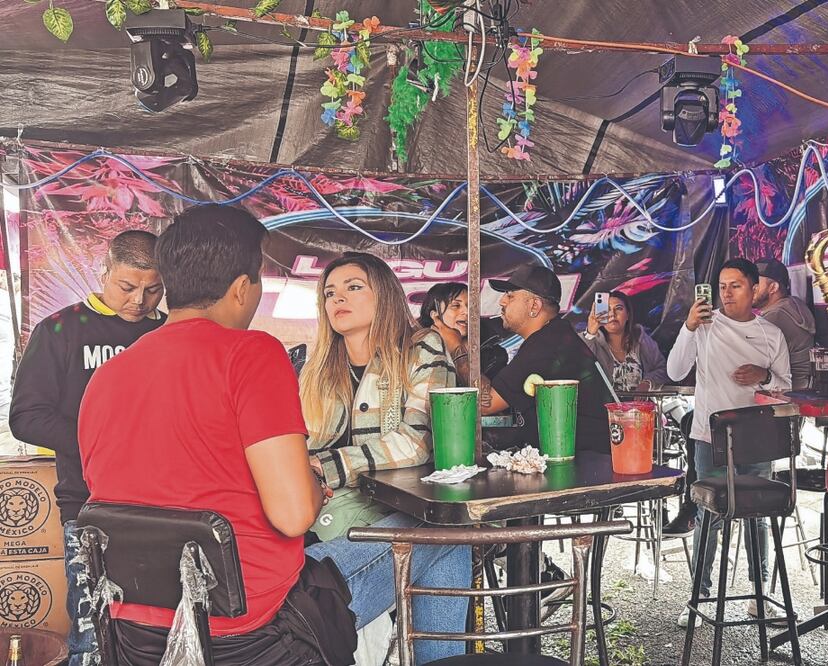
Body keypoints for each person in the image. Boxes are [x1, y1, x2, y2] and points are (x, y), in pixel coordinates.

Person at [78, 205, 354, 665]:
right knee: (426, 546)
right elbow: (294, 515)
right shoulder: (252, 353)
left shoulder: (106, 376)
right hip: (252, 630)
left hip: (133, 631)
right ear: (242, 288)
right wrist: (311, 480)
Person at [299, 253, 470, 664]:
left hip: (387, 510)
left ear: (385, 295)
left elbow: (416, 441)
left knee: (448, 527)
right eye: (330, 293)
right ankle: (305, 611)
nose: (338, 298)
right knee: (452, 530)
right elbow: (297, 447)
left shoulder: (420, 347)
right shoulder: (317, 368)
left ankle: (305, 608)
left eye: (354, 287)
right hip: (325, 519)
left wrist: (327, 466)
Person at [9, 230, 165, 666]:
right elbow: (26, 417)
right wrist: (108, 441)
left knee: (156, 635)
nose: (139, 301)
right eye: (127, 287)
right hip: (88, 505)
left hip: (165, 509)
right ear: (104, 272)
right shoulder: (61, 330)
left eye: (153, 289)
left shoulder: (169, 333)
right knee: (91, 635)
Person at [667, 258, 792, 628]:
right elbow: (675, 371)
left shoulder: (771, 334)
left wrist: (763, 375)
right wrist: (689, 326)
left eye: (735, 285)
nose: (726, 293)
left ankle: (759, 594)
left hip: (758, 440)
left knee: (758, 516)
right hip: (710, 437)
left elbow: (785, 388)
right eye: (722, 286)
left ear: (754, 288)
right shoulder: (705, 325)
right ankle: (699, 596)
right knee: (709, 514)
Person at [441, 264, 611, 452]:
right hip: (580, 453)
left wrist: (456, 348)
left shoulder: (546, 347)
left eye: (510, 296)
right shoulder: (553, 335)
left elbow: (487, 403)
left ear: (534, 306)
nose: (502, 302)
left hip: (588, 458)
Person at [581, 290, 669, 392]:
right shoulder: (591, 341)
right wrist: (590, 333)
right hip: (601, 402)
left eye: (618, 308)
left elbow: (663, 369)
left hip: (637, 403)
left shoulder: (641, 339)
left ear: (628, 315)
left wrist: (647, 383)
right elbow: (578, 367)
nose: (612, 314)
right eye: (607, 309)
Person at [421, 281, 508, 378]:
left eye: (471, 306)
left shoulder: (494, 355)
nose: (467, 311)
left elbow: (486, 388)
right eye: (456, 306)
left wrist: (457, 352)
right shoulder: (417, 352)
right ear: (435, 315)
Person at [754, 258, 815, 390]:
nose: (750, 288)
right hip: (796, 390)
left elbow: (748, 360)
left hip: (789, 393)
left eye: (756, 283)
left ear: (773, 287)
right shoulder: (790, 304)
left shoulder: (777, 316)